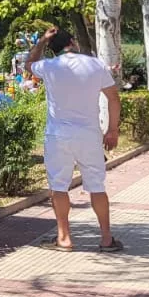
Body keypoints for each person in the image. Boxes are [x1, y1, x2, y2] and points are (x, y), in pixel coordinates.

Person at [25, 27, 123, 252]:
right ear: (72, 42)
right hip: (89, 135)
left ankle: (64, 238)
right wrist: (112, 130)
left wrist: (41, 41)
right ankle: (106, 238)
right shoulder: (95, 65)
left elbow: (29, 64)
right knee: (97, 186)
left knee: (58, 186)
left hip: (58, 135)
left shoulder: (49, 66)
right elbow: (113, 99)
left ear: (53, 48)